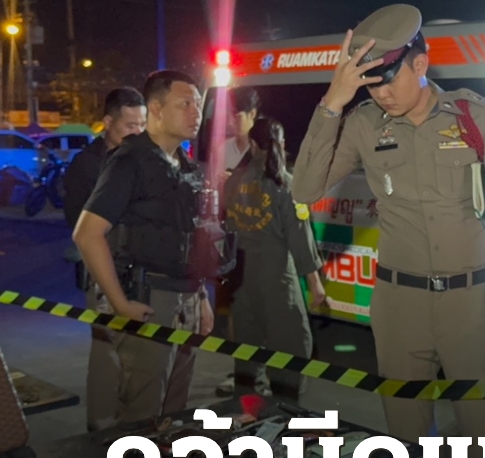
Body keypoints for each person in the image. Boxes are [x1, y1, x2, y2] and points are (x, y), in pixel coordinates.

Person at [291, 4, 485, 458]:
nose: (380, 94)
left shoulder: (476, 118)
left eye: (388, 79)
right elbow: (304, 189)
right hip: (399, 306)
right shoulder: (361, 124)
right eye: (369, 84)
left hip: (471, 305)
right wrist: (333, 101)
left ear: (420, 64)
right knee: (406, 451)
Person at [73, 70, 216, 427]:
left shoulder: (186, 166)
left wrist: (200, 299)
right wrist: (120, 303)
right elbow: (87, 235)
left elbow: (190, 239)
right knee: (141, 414)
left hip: (186, 299)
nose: (196, 113)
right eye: (185, 104)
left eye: (198, 105)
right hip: (150, 299)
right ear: (156, 109)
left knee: (173, 412)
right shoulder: (129, 161)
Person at [219, 117, 326, 400]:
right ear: (283, 144)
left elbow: (226, 229)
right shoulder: (287, 185)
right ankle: (284, 408)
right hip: (277, 278)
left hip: (242, 277)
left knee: (247, 345)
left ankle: (246, 407)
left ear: (252, 145)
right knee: (292, 345)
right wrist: (314, 281)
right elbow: (300, 237)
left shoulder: (233, 182)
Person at [62, 86, 147, 432]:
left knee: (138, 353)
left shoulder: (140, 158)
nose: (138, 132)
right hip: (104, 268)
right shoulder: (87, 165)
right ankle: (102, 425)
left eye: (142, 124)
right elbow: (80, 226)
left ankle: (130, 423)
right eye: (129, 125)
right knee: (107, 351)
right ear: (107, 123)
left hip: (138, 267)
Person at [224, 86, 260, 173]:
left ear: (252, 114)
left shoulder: (261, 150)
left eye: (236, 116)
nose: (230, 122)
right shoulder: (223, 149)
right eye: (228, 116)